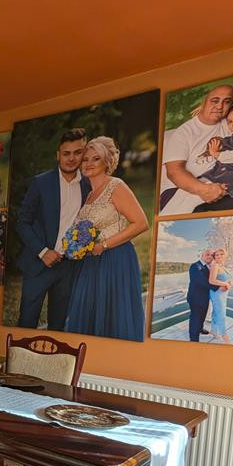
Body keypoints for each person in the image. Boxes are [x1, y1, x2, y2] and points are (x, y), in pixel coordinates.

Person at [65, 136, 149, 341]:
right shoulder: (89, 195)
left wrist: (104, 245)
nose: (89, 163)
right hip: (91, 262)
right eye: (85, 159)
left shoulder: (116, 186)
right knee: (90, 316)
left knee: (113, 316)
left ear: (107, 162)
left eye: (96, 159)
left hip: (116, 258)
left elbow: (141, 223)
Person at [16, 128, 92, 329]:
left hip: (69, 267)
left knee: (58, 326)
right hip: (38, 264)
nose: (71, 158)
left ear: (83, 153)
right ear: (58, 155)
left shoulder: (88, 186)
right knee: (26, 323)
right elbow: (22, 222)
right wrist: (43, 252)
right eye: (66, 153)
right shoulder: (40, 183)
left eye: (77, 152)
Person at [159, 84, 233, 214]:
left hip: (220, 180)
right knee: (194, 211)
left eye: (226, 102)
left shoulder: (230, 122)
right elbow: (174, 172)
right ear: (204, 103)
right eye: (214, 101)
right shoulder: (184, 133)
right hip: (181, 187)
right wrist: (204, 189)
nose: (219, 106)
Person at [186, 249, 217, 342]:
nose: (210, 256)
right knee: (195, 318)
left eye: (212, 255)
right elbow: (202, 282)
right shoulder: (195, 266)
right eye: (207, 254)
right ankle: (194, 338)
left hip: (205, 297)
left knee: (203, 315)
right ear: (202, 255)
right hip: (195, 298)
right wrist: (219, 287)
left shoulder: (209, 267)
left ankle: (200, 329)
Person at [207, 249, 233, 343]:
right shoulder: (215, 266)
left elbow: (225, 279)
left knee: (216, 312)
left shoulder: (221, 266)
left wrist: (230, 283)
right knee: (221, 313)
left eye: (221, 254)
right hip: (217, 294)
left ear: (225, 256)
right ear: (215, 257)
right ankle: (224, 334)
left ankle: (214, 331)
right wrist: (225, 284)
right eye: (217, 255)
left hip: (223, 294)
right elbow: (211, 280)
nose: (219, 256)